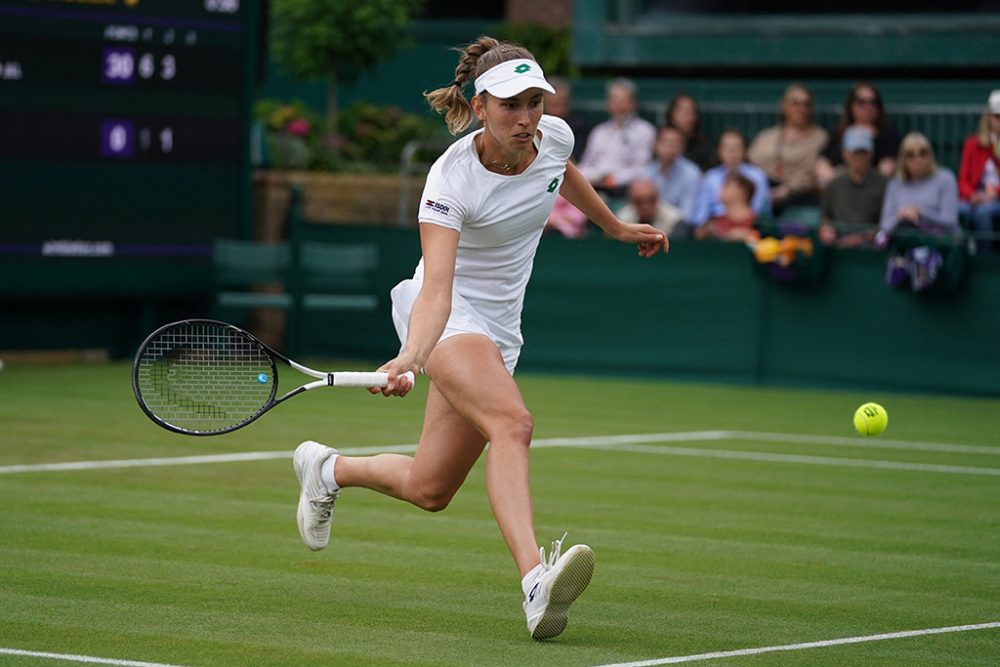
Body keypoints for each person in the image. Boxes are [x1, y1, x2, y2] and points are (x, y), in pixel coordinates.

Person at [290, 36, 668, 642]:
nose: (526, 119)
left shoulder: (555, 137)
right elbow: (436, 290)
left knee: (431, 487)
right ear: (480, 106)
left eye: (534, 104)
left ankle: (328, 469)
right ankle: (535, 582)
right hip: (441, 315)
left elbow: (561, 173)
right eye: (511, 105)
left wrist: (617, 227)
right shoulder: (449, 179)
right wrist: (413, 355)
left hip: (499, 334)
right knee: (512, 424)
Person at [747, 83, 828, 214]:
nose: (801, 109)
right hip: (762, 194)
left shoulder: (820, 138)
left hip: (799, 199)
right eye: (796, 103)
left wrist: (786, 190)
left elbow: (812, 176)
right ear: (784, 106)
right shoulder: (766, 136)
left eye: (806, 104)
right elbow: (749, 164)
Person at [577, 77, 657, 197]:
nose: (620, 106)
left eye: (624, 100)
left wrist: (613, 179)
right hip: (595, 187)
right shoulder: (599, 132)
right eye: (615, 101)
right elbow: (585, 165)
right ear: (608, 104)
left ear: (633, 103)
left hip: (626, 190)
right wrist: (596, 177)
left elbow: (642, 169)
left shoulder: (645, 131)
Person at [815, 82, 900, 188]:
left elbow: (887, 169)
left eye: (873, 102)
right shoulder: (839, 132)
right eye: (861, 102)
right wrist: (837, 181)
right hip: (842, 189)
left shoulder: (888, 133)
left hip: (873, 190)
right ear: (851, 105)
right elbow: (823, 162)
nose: (868, 107)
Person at [878, 132, 960, 240]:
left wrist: (920, 212)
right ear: (903, 160)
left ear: (930, 155)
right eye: (910, 155)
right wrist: (902, 215)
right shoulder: (894, 184)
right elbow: (885, 226)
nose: (918, 159)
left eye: (923, 153)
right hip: (904, 243)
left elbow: (950, 220)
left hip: (941, 243)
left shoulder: (946, 179)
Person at [819, 126, 888, 248]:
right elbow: (826, 216)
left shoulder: (884, 184)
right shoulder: (834, 184)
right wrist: (827, 230)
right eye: (855, 153)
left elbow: (886, 224)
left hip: (871, 247)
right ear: (845, 153)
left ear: (871, 154)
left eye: (863, 153)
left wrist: (862, 238)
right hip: (838, 244)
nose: (859, 158)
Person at [691, 128, 771, 228]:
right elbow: (700, 214)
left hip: (749, 227)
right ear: (719, 151)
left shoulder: (757, 176)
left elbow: (758, 210)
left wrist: (735, 222)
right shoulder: (710, 177)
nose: (732, 152)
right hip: (715, 231)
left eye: (736, 147)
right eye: (727, 147)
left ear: (745, 150)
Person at [957, 89, 1000, 253]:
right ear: (988, 117)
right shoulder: (972, 144)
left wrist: (994, 193)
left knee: (982, 212)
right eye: (997, 117)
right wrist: (972, 195)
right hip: (974, 198)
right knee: (959, 210)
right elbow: (963, 179)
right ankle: (961, 255)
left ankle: (983, 259)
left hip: (996, 198)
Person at [644, 124, 702, 224]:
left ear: (682, 147)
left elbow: (687, 214)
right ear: (656, 145)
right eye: (666, 142)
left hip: (677, 224)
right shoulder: (646, 172)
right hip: (651, 221)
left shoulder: (691, 173)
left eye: (675, 143)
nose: (670, 147)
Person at [693, 172, 757, 242]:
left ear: (742, 192)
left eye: (727, 185)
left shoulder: (758, 223)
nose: (721, 188)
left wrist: (749, 236)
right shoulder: (713, 223)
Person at [544, 76, 591, 162]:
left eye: (559, 104)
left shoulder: (579, 126)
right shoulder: (537, 126)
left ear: (567, 104)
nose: (556, 111)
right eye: (552, 105)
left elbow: (576, 160)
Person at [616, 177, 684, 235]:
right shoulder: (622, 220)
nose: (646, 206)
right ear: (631, 202)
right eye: (639, 201)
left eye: (651, 200)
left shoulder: (674, 219)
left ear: (658, 198)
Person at [667, 92, 713, 169]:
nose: (687, 116)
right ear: (672, 114)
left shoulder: (704, 148)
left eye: (691, 111)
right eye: (682, 111)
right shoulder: (660, 143)